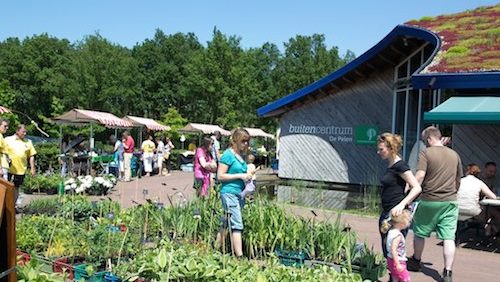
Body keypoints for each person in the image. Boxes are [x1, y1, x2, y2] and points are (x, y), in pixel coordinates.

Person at [392, 126, 462, 282]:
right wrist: (453, 193)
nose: (425, 143)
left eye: (425, 141)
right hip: (450, 201)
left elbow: (420, 175)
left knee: (420, 232)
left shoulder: (426, 153)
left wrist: (409, 188)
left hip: (429, 199)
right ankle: (448, 272)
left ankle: (416, 260)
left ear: (430, 138)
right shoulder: (454, 154)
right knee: (449, 237)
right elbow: (458, 180)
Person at [376, 133, 421, 259]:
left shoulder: (400, 165)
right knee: (388, 249)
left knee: (393, 249)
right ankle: (393, 276)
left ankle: (397, 276)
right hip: (387, 211)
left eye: (381, 149)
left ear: (391, 149)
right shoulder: (391, 165)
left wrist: (402, 204)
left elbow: (416, 187)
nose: (378, 152)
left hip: (395, 214)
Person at [216, 128, 252, 257]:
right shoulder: (228, 155)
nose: (246, 144)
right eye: (243, 141)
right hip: (229, 193)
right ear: (235, 140)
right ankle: (240, 256)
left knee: (226, 222)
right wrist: (240, 176)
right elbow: (220, 176)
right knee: (237, 223)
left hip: (239, 194)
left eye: (247, 141)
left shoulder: (240, 156)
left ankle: (215, 248)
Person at [458, 163, 500, 236]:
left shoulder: (460, 181)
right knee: (493, 212)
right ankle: (492, 230)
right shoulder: (479, 182)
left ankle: (490, 229)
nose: (493, 173)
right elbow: (493, 196)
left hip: (457, 209)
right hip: (473, 210)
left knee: (491, 211)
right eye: (490, 171)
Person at [5, 124, 37, 201]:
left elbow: (31, 156)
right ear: (17, 131)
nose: (25, 134)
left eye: (26, 132)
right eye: (23, 132)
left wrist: (32, 168)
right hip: (8, 169)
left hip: (21, 170)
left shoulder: (28, 142)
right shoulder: (7, 140)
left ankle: (13, 206)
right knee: (6, 187)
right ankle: (5, 206)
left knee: (16, 187)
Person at [380, 209, 413, 282]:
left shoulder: (391, 231)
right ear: (402, 223)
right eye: (408, 221)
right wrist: (397, 264)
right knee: (406, 278)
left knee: (395, 277)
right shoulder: (397, 236)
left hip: (390, 260)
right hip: (398, 260)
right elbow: (393, 250)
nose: (409, 223)